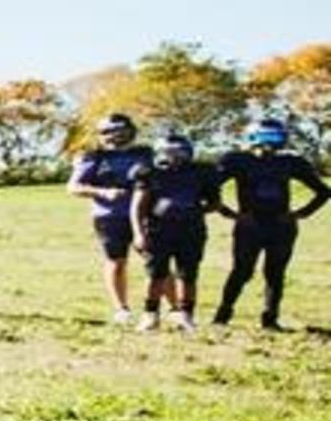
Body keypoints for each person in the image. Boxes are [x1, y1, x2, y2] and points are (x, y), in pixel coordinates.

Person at [213, 118, 331, 331]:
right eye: (266, 136)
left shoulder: (291, 162)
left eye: (276, 136)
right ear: (252, 137)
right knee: (242, 271)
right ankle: (222, 315)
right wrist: (230, 213)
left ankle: (270, 318)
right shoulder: (237, 160)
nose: (271, 142)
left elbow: (323, 192)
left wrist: (300, 214)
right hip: (251, 225)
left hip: (280, 226)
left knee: (275, 273)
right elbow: (209, 188)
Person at [67, 113, 155, 325]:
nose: (114, 136)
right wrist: (103, 192)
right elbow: (73, 187)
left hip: (146, 215)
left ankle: (168, 309)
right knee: (116, 262)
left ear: (130, 131)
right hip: (110, 216)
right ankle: (121, 309)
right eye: (107, 132)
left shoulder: (145, 154)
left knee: (155, 261)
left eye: (119, 130)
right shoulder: (93, 157)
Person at [128, 133, 221, 332]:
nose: (175, 157)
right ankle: (150, 314)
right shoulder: (149, 172)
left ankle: (185, 315)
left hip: (191, 228)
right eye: (169, 152)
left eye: (179, 152)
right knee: (155, 274)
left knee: (188, 275)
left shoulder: (201, 173)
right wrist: (138, 233)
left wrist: (190, 209)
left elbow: (215, 203)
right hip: (158, 229)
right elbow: (137, 207)